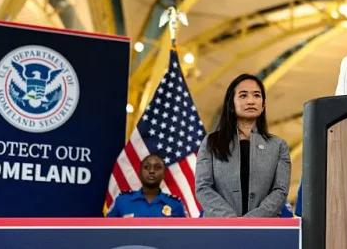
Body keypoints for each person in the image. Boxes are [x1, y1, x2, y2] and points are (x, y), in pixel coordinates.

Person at [195, 73, 291, 217]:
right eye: (243, 95)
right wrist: (232, 221)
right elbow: (203, 187)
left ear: (263, 105)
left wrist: (251, 221)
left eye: (257, 95)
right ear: (231, 104)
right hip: (220, 229)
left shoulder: (278, 146)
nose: (251, 101)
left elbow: (280, 190)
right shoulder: (211, 142)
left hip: (263, 231)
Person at [106, 154, 186, 217]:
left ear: (164, 174)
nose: (151, 171)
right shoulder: (122, 201)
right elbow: (107, 232)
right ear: (140, 173)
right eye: (147, 167)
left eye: (157, 168)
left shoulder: (176, 205)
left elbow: (184, 235)